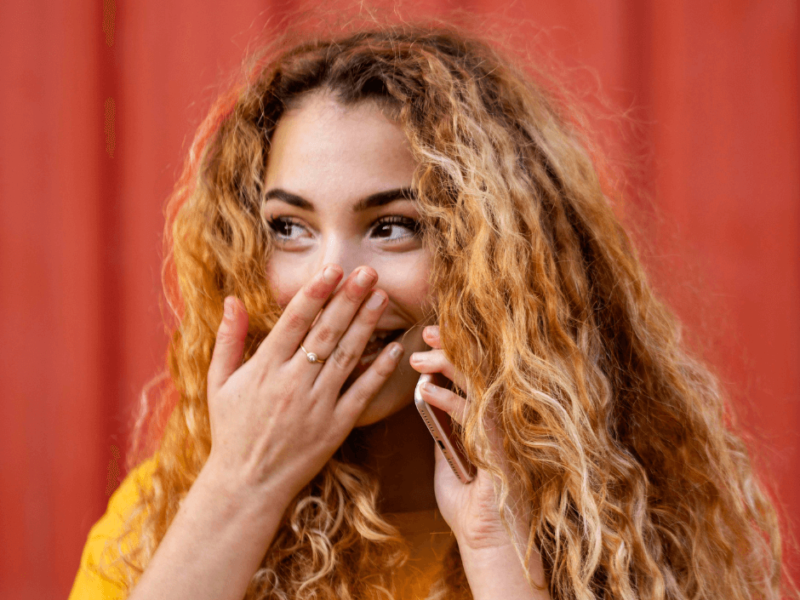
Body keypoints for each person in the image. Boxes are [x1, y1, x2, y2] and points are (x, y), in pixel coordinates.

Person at [68, 21, 797, 600]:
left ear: (501, 259)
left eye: (393, 226)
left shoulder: (623, 525)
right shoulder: (166, 514)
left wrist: (497, 553)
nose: (330, 280)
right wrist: (242, 486)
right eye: (288, 228)